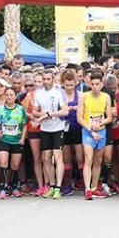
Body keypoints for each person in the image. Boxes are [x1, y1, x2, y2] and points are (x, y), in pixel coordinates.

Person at [76, 70, 113, 201]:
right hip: (88, 131)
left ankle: (94, 187)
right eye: (93, 84)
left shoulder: (106, 97)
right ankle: (87, 189)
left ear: (102, 84)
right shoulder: (84, 96)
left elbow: (109, 117)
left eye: (98, 84)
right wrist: (91, 129)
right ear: (90, 84)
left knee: (98, 161)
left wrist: (100, 123)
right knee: (88, 158)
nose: (95, 87)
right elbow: (79, 118)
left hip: (101, 131)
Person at [34, 70, 68, 199]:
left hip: (58, 128)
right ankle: (52, 185)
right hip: (45, 129)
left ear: (53, 79)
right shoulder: (39, 93)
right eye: (44, 79)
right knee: (46, 157)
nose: (46, 82)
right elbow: (35, 112)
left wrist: (51, 114)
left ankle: (58, 187)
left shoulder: (59, 92)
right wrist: (43, 115)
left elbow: (65, 111)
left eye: (48, 79)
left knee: (57, 156)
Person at [0, 81, 27, 199]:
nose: (9, 97)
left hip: (16, 140)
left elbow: (25, 124)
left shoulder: (20, 109)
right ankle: (2, 188)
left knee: (15, 165)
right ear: (5, 96)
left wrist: (22, 138)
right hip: (4, 140)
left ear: (15, 96)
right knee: (3, 163)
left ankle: (14, 186)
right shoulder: (0, 109)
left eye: (11, 95)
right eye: (7, 95)